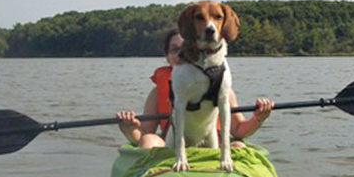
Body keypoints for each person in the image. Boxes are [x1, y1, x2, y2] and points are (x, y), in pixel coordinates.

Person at [116, 29, 274, 148]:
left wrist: (258, 118)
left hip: (211, 144)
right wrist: (129, 129)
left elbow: (238, 130)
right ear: (167, 57)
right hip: (174, 145)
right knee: (149, 140)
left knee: (239, 146)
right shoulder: (157, 94)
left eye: (187, 48)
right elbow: (143, 135)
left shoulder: (221, 88)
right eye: (174, 49)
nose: (181, 54)